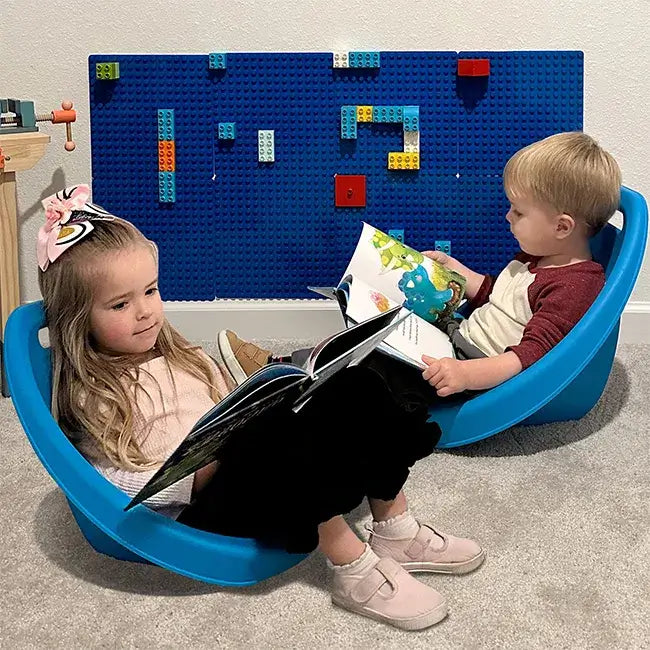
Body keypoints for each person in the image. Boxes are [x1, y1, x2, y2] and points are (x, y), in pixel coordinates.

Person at [37, 184, 484, 631]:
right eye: (120, 304)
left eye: (151, 291)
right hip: (199, 512)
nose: (146, 312)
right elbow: (106, 481)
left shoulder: (178, 355)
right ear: (77, 317)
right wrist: (198, 474)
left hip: (244, 468)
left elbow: (224, 407)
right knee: (270, 437)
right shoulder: (92, 393)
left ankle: (395, 529)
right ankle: (353, 569)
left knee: (356, 384)